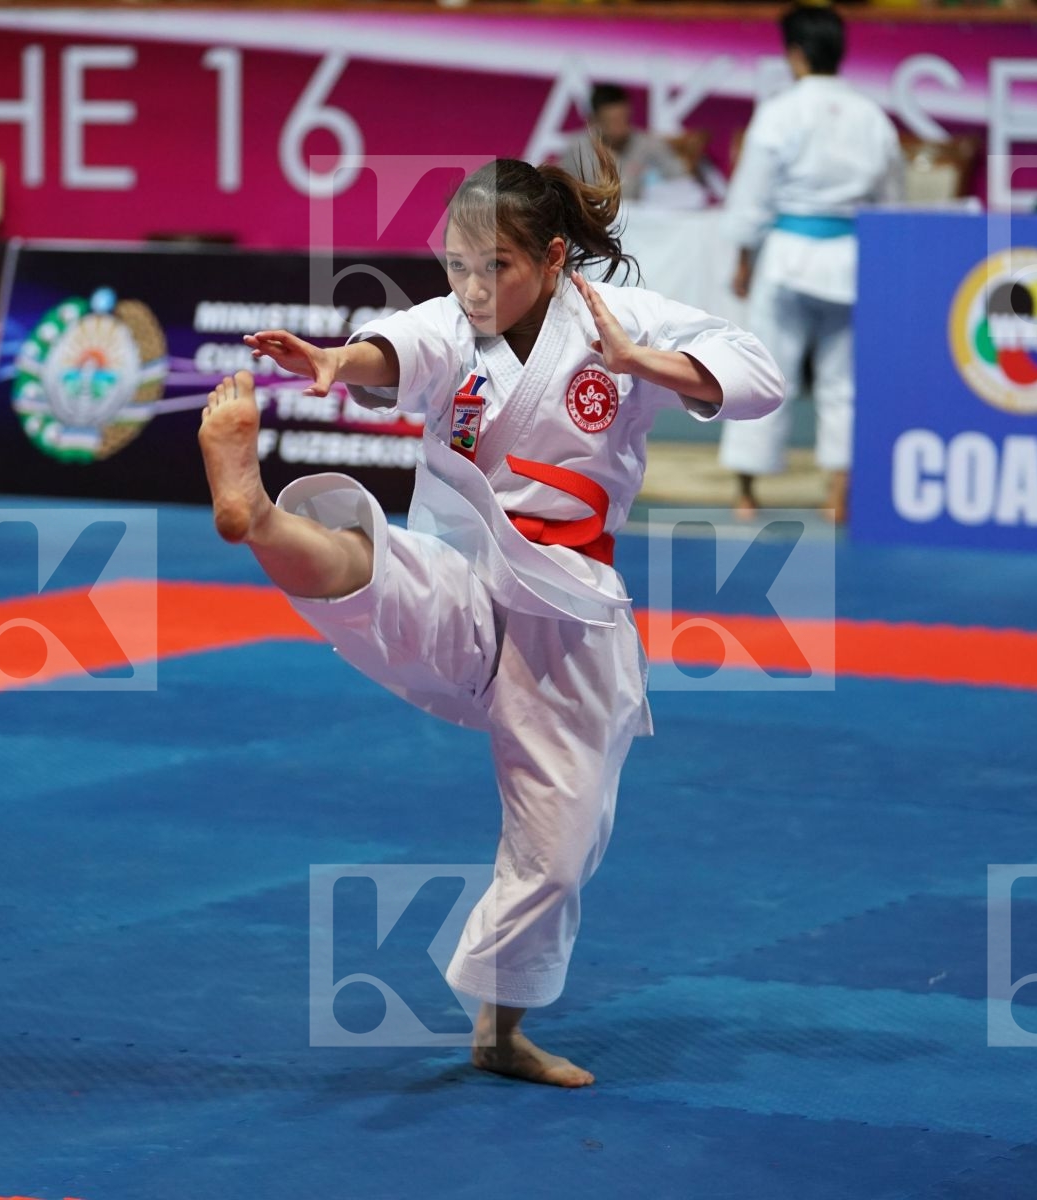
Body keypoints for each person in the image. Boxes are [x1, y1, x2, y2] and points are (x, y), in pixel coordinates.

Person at [198, 155, 782, 1087]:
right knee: (372, 565)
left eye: (495, 267)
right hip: (463, 568)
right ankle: (257, 514)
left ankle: (499, 1033)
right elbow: (397, 348)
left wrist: (640, 365)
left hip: (569, 608)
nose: (470, 287)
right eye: (456, 264)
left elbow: (758, 377)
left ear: (554, 259)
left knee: (560, 849)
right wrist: (334, 361)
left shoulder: (621, 322)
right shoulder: (455, 319)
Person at [718, 3, 903, 524]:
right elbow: (892, 202)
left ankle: (747, 493)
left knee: (763, 372)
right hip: (851, 260)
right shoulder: (872, 117)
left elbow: (752, 197)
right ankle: (838, 491)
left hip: (788, 259)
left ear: (795, 53)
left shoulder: (780, 112)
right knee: (842, 380)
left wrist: (742, 256)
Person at [561, 84, 701, 203]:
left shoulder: (647, 145)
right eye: (612, 121)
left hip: (637, 221)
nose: (620, 128)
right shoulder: (576, 149)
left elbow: (682, 177)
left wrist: (690, 157)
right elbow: (560, 189)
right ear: (594, 121)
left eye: (624, 119)